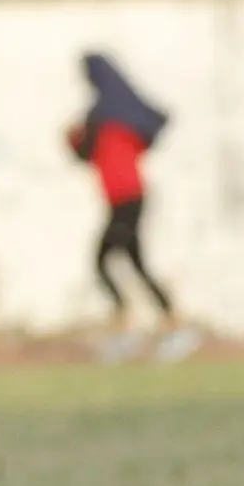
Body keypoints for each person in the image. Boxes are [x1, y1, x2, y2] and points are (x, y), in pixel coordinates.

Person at [68, 53, 175, 331]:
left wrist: (74, 138)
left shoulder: (101, 119)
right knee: (133, 261)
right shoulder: (123, 117)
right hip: (127, 198)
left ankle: (125, 315)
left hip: (126, 199)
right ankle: (167, 316)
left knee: (104, 260)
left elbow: (84, 151)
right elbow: (91, 153)